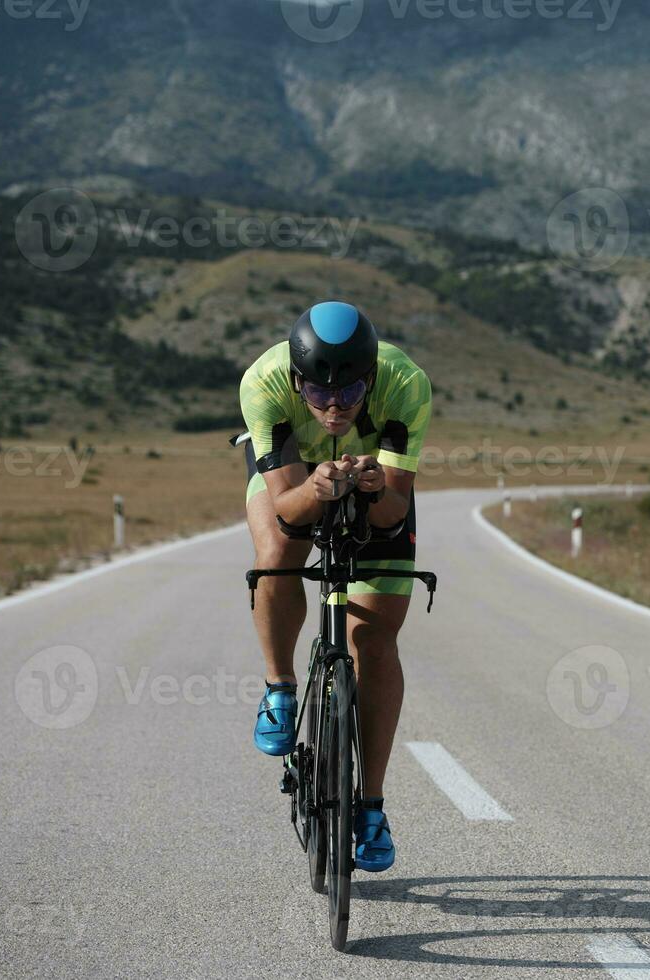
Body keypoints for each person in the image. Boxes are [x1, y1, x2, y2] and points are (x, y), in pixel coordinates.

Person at [238, 301, 431, 873]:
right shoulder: (264, 383)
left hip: (374, 485)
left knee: (373, 639)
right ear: (296, 381)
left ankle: (370, 805)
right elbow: (289, 513)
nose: (335, 406)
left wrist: (370, 491)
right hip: (295, 476)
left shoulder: (405, 386)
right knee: (277, 552)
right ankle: (279, 687)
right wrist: (319, 488)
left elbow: (393, 514)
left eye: (350, 393)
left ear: (371, 378)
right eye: (319, 394)